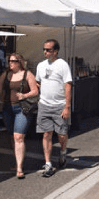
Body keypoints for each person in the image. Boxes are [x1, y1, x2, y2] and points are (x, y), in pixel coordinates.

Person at [0, 53, 38, 179]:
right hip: (8, 108)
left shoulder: (27, 74)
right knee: (12, 136)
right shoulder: (5, 74)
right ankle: (18, 161)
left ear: (19, 62)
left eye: (13, 61)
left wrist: (24, 96)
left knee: (18, 137)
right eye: (9, 61)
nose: (10, 63)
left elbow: (35, 91)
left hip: (22, 109)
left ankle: (19, 168)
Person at [36, 39, 72, 177]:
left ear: (55, 51)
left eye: (48, 50)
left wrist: (67, 106)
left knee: (62, 134)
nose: (45, 52)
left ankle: (63, 152)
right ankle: (48, 163)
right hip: (44, 105)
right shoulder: (40, 65)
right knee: (46, 134)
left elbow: (68, 85)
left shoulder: (62, 65)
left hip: (59, 105)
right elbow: (38, 82)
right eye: (44, 49)